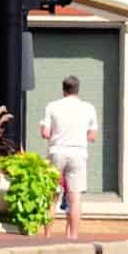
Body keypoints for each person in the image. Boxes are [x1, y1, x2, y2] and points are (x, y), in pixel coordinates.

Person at [37, 76, 98, 239]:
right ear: (78, 89)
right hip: (78, 152)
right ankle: (73, 236)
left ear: (63, 89)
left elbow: (45, 133)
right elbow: (92, 136)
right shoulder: (89, 108)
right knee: (75, 197)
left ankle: (48, 234)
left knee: (52, 196)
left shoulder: (53, 106)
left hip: (57, 151)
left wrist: (43, 128)